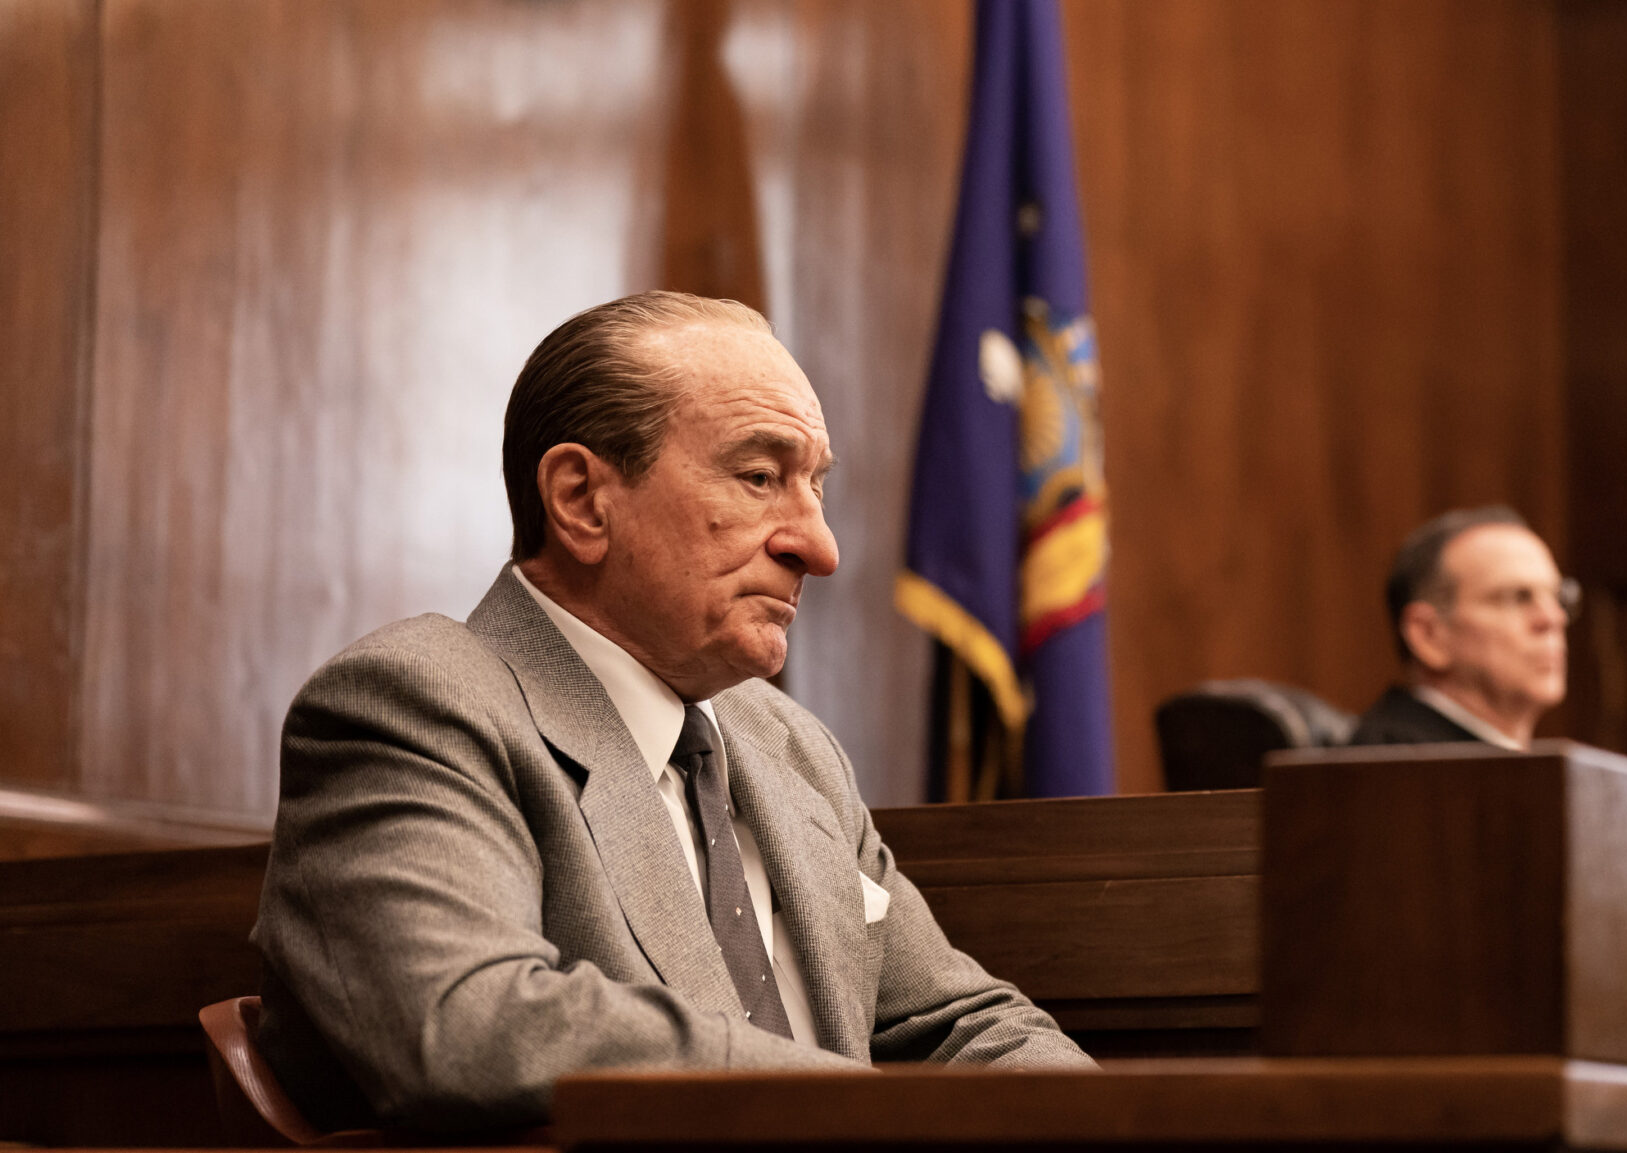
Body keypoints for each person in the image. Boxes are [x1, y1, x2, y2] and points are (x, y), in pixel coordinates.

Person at [252, 292, 1092, 1135]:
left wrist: (1123, 1134)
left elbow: (964, 1025)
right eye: (760, 478)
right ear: (582, 499)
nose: (820, 547)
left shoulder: (790, 743)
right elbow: (474, 1025)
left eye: (815, 485)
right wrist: (858, 1102)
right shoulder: (416, 705)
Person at [1351, 506, 1574, 750]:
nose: (1554, 618)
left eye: (1558, 597)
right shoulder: (1394, 761)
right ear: (1428, 635)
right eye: (1517, 597)